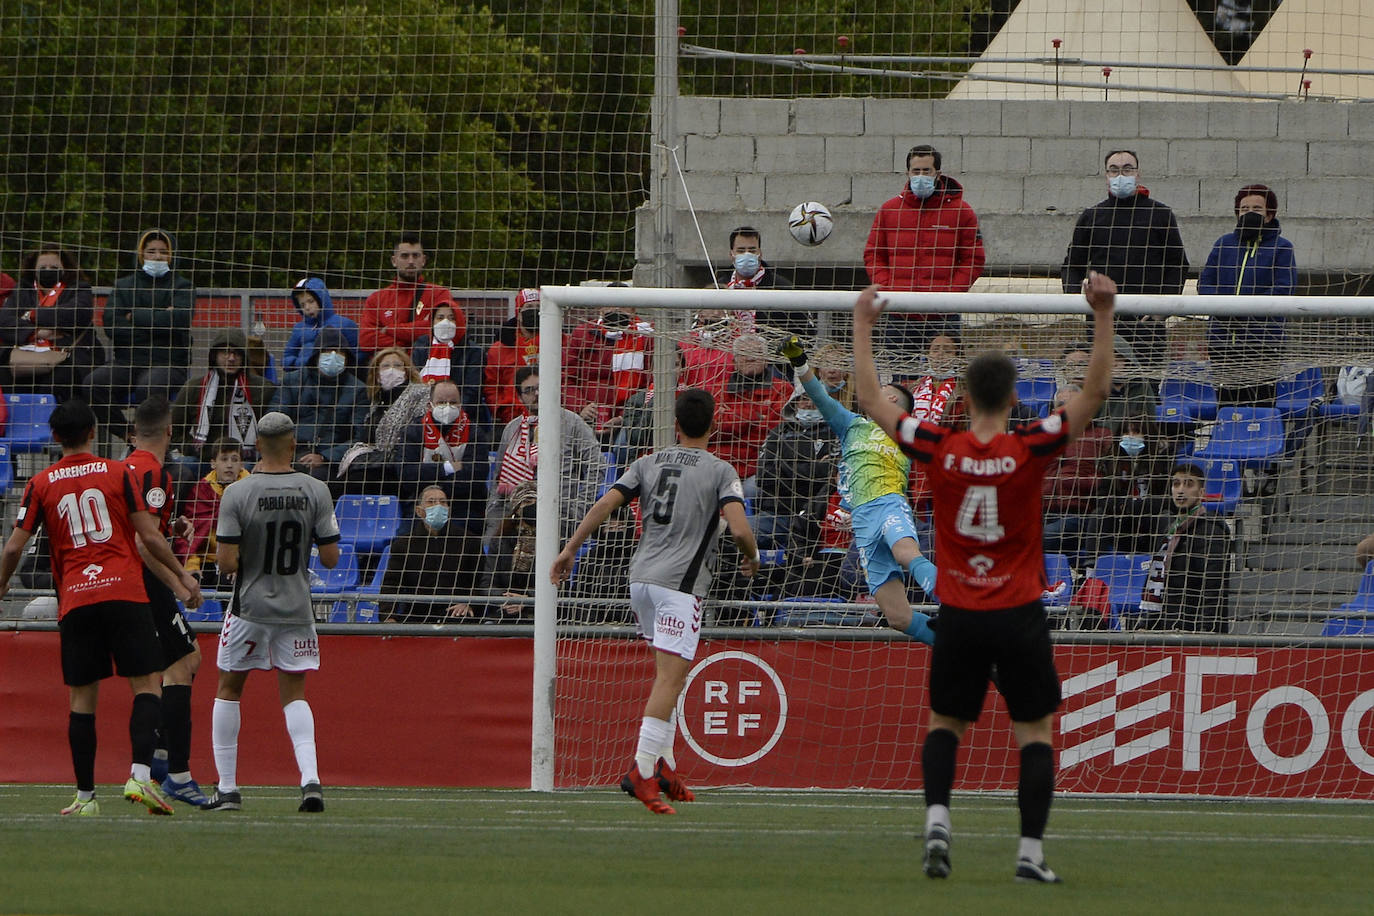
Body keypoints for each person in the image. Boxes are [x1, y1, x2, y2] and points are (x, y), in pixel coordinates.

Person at [853, 272, 1119, 884]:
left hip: (961, 613)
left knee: (946, 724)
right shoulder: (1032, 444)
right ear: (1013, 395)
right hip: (1020, 612)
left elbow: (872, 402)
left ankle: (939, 822)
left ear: (964, 399)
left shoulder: (939, 447)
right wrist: (1102, 314)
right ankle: (1029, 855)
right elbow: (1097, 391)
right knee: (1034, 734)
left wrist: (864, 324)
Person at [551, 388, 760, 815]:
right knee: (670, 679)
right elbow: (738, 528)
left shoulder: (647, 461)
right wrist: (752, 556)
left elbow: (606, 503)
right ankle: (641, 769)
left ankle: (664, 765)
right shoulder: (721, 470)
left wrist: (570, 548)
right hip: (679, 588)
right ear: (714, 425)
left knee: (668, 675)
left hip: (640, 580)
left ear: (676, 425)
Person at [0, 398, 201, 817]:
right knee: (147, 684)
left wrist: (1, 586)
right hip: (125, 593)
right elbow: (148, 534)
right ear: (94, 432)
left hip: (76, 597)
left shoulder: (40, 483)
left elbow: (14, 546)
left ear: (54, 437)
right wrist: (182, 577)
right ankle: (140, 775)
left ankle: (85, 797)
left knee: (81, 700)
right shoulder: (118, 472)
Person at [205, 411, 341, 813]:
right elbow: (331, 559)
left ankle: (228, 788)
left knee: (229, 689)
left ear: (257, 446)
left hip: (249, 607)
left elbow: (227, 564)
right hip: (297, 607)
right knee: (295, 694)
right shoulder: (316, 489)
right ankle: (311, 780)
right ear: (294, 444)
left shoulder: (237, 494)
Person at [778, 336, 938, 642]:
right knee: (898, 616)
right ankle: (959, 650)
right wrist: (800, 361)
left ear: (891, 401)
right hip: (862, 521)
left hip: (888, 503)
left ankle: (961, 605)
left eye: (882, 392)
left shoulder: (909, 434)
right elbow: (820, 396)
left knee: (906, 551)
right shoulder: (852, 424)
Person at [122, 396, 213, 807]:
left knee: (173, 665)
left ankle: (159, 760)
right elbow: (143, 543)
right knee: (185, 662)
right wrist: (180, 582)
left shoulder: (124, 467)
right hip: (144, 580)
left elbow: (139, 526)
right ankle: (176, 771)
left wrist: (172, 524)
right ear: (170, 431)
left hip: (122, 580)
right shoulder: (154, 471)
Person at [1062, 150, 1187, 367]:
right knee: (1103, 388)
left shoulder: (1161, 214)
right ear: (1106, 175)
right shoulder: (1092, 216)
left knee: (1146, 386)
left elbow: (1178, 265)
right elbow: (1072, 265)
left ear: (1138, 174)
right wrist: (1078, 299)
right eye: (1114, 170)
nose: (1121, 174)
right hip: (1102, 321)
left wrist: (1162, 311)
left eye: (1127, 169)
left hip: (1146, 325)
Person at [863, 144, 985, 350]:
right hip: (900, 314)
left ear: (938, 174)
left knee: (944, 377)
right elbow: (873, 255)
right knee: (901, 379)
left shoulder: (962, 211)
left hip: (943, 315)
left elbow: (973, 259)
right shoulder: (889, 210)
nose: (921, 176)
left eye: (926, 171)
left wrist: (950, 294)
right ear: (907, 173)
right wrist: (889, 288)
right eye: (916, 171)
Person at [87, 229, 195, 435]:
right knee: (94, 384)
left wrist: (134, 316)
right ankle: (129, 435)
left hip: (169, 363)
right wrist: (160, 321)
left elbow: (178, 321)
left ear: (172, 255)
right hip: (128, 361)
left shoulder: (183, 287)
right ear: (141, 254)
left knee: (149, 387)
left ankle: (153, 441)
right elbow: (112, 326)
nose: (157, 257)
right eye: (151, 251)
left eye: (163, 252)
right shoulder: (123, 286)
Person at [1199, 183, 1298, 405]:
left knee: (1260, 405)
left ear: (1269, 215)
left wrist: (1244, 314)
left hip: (1262, 344)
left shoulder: (1282, 248)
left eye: (1256, 209)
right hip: (1222, 343)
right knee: (1226, 405)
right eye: (1244, 209)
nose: (1249, 213)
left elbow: (1283, 289)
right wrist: (1221, 310)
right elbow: (1205, 282)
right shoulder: (1223, 244)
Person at [485, 366, 603, 547]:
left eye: (541, 387)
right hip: (515, 519)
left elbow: (597, 466)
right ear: (520, 396)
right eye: (529, 390)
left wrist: (577, 511)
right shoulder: (511, 429)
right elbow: (498, 479)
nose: (537, 394)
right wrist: (496, 515)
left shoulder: (572, 423)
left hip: (561, 518)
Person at [1138, 462, 1234, 633]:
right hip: (1167, 626)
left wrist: (1207, 633)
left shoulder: (1212, 530)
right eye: (1176, 484)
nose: (1181, 490)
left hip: (1195, 630)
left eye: (1188, 484)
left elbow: (1213, 588)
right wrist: (1146, 623)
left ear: (1201, 492)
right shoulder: (1170, 529)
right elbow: (1156, 580)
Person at [170, 329, 276, 484]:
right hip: (205, 461)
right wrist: (195, 450)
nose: (231, 358)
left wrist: (264, 458)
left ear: (244, 357)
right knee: (183, 467)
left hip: (245, 463)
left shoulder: (263, 389)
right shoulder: (194, 387)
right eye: (225, 352)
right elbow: (175, 431)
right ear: (214, 356)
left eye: (236, 353)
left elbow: (272, 432)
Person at [0, 243, 101, 401]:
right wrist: (35, 332)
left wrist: (31, 315)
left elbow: (75, 314)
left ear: (65, 268)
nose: (48, 271)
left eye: (54, 267)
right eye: (43, 266)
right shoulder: (23, 290)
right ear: (33, 268)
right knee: (7, 380)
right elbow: (4, 321)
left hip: (66, 357)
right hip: (26, 357)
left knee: (54, 384)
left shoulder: (79, 288)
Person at [271, 327, 371, 485]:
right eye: (327, 351)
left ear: (347, 357)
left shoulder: (358, 390)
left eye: (339, 352)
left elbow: (359, 437)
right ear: (316, 355)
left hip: (330, 461)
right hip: (289, 452)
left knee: (316, 479)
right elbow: (274, 421)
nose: (333, 356)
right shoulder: (292, 381)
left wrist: (326, 457)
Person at [379, 486, 483, 623]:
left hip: (457, 613)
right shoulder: (403, 545)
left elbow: (481, 580)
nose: (438, 506)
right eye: (431, 502)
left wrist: (470, 603)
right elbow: (391, 584)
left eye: (443, 502)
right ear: (419, 511)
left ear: (449, 509)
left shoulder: (469, 541)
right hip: (417, 615)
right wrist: (389, 616)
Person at [358, 231, 462, 361]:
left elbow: (440, 330)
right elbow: (366, 339)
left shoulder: (439, 294)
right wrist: (405, 347)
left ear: (423, 260)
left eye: (415, 256)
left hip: (426, 368)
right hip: (388, 371)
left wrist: (391, 329)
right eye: (405, 256)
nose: (411, 261)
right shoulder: (376, 299)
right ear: (394, 261)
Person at [562, 299, 653, 445]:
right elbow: (565, 378)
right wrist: (580, 407)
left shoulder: (647, 336)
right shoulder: (582, 334)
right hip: (583, 417)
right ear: (601, 308)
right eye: (610, 304)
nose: (616, 309)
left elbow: (652, 385)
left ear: (633, 309)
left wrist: (625, 417)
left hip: (629, 421)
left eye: (622, 305)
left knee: (623, 447)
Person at [711, 333, 794, 485]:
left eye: (756, 354)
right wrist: (756, 415)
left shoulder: (783, 389)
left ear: (767, 360)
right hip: (718, 467)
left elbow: (772, 432)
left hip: (760, 469)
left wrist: (731, 417)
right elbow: (712, 430)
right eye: (744, 354)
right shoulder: (717, 388)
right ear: (734, 362)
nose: (750, 359)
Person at [398, 379, 491, 510]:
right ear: (429, 406)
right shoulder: (413, 431)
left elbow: (476, 476)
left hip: (464, 504)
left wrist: (431, 480)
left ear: (460, 405)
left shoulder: (474, 432)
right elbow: (407, 475)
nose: (447, 407)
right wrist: (448, 468)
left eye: (453, 402)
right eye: (441, 402)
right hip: (422, 503)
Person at [174, 438, 249, 590]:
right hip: (206, 560)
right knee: (191, 582)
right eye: (224, 459)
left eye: (235, 460)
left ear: (241, 465)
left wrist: (240, 563)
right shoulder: (201, 491)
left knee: (231, 583)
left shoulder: (250, 490)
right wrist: (191, 564)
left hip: (238, 560)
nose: (229, 465)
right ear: (213, 463)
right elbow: (189, 534)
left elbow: (254, 535)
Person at [719, 226, 810, 337]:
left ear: (760, 254)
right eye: (741, 250)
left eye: (752, 250)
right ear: (731, 254)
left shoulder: (783, 289)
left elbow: (807, 333)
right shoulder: (718, 288)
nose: (747, 254)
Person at [412, 302, 484, 420]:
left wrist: (451, 412)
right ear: (432, 322)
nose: (445, 322)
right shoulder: (421, 346)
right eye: (440, 318)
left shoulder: (473, 351)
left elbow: (472, 392)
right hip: (423, 415)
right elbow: (413, 384)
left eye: (452, 318)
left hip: (460, 415)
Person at [484, 289, 545, 426]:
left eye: (538, 307)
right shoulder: (499, 349)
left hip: (549, 414)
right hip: (512, 418)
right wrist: (502, 410)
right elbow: (491, 387)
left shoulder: (558, 342)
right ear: (518, 313)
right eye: (529, 307)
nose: (534, 311)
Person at [282, 277, 359, 372]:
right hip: (304, 378)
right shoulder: (299, 328)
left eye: (311, 301)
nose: (307, 307)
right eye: (302, 305)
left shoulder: (345, 324)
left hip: (336, 377)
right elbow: (286, 358)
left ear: (322, 299)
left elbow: (358, 355)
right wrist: (301, 363)